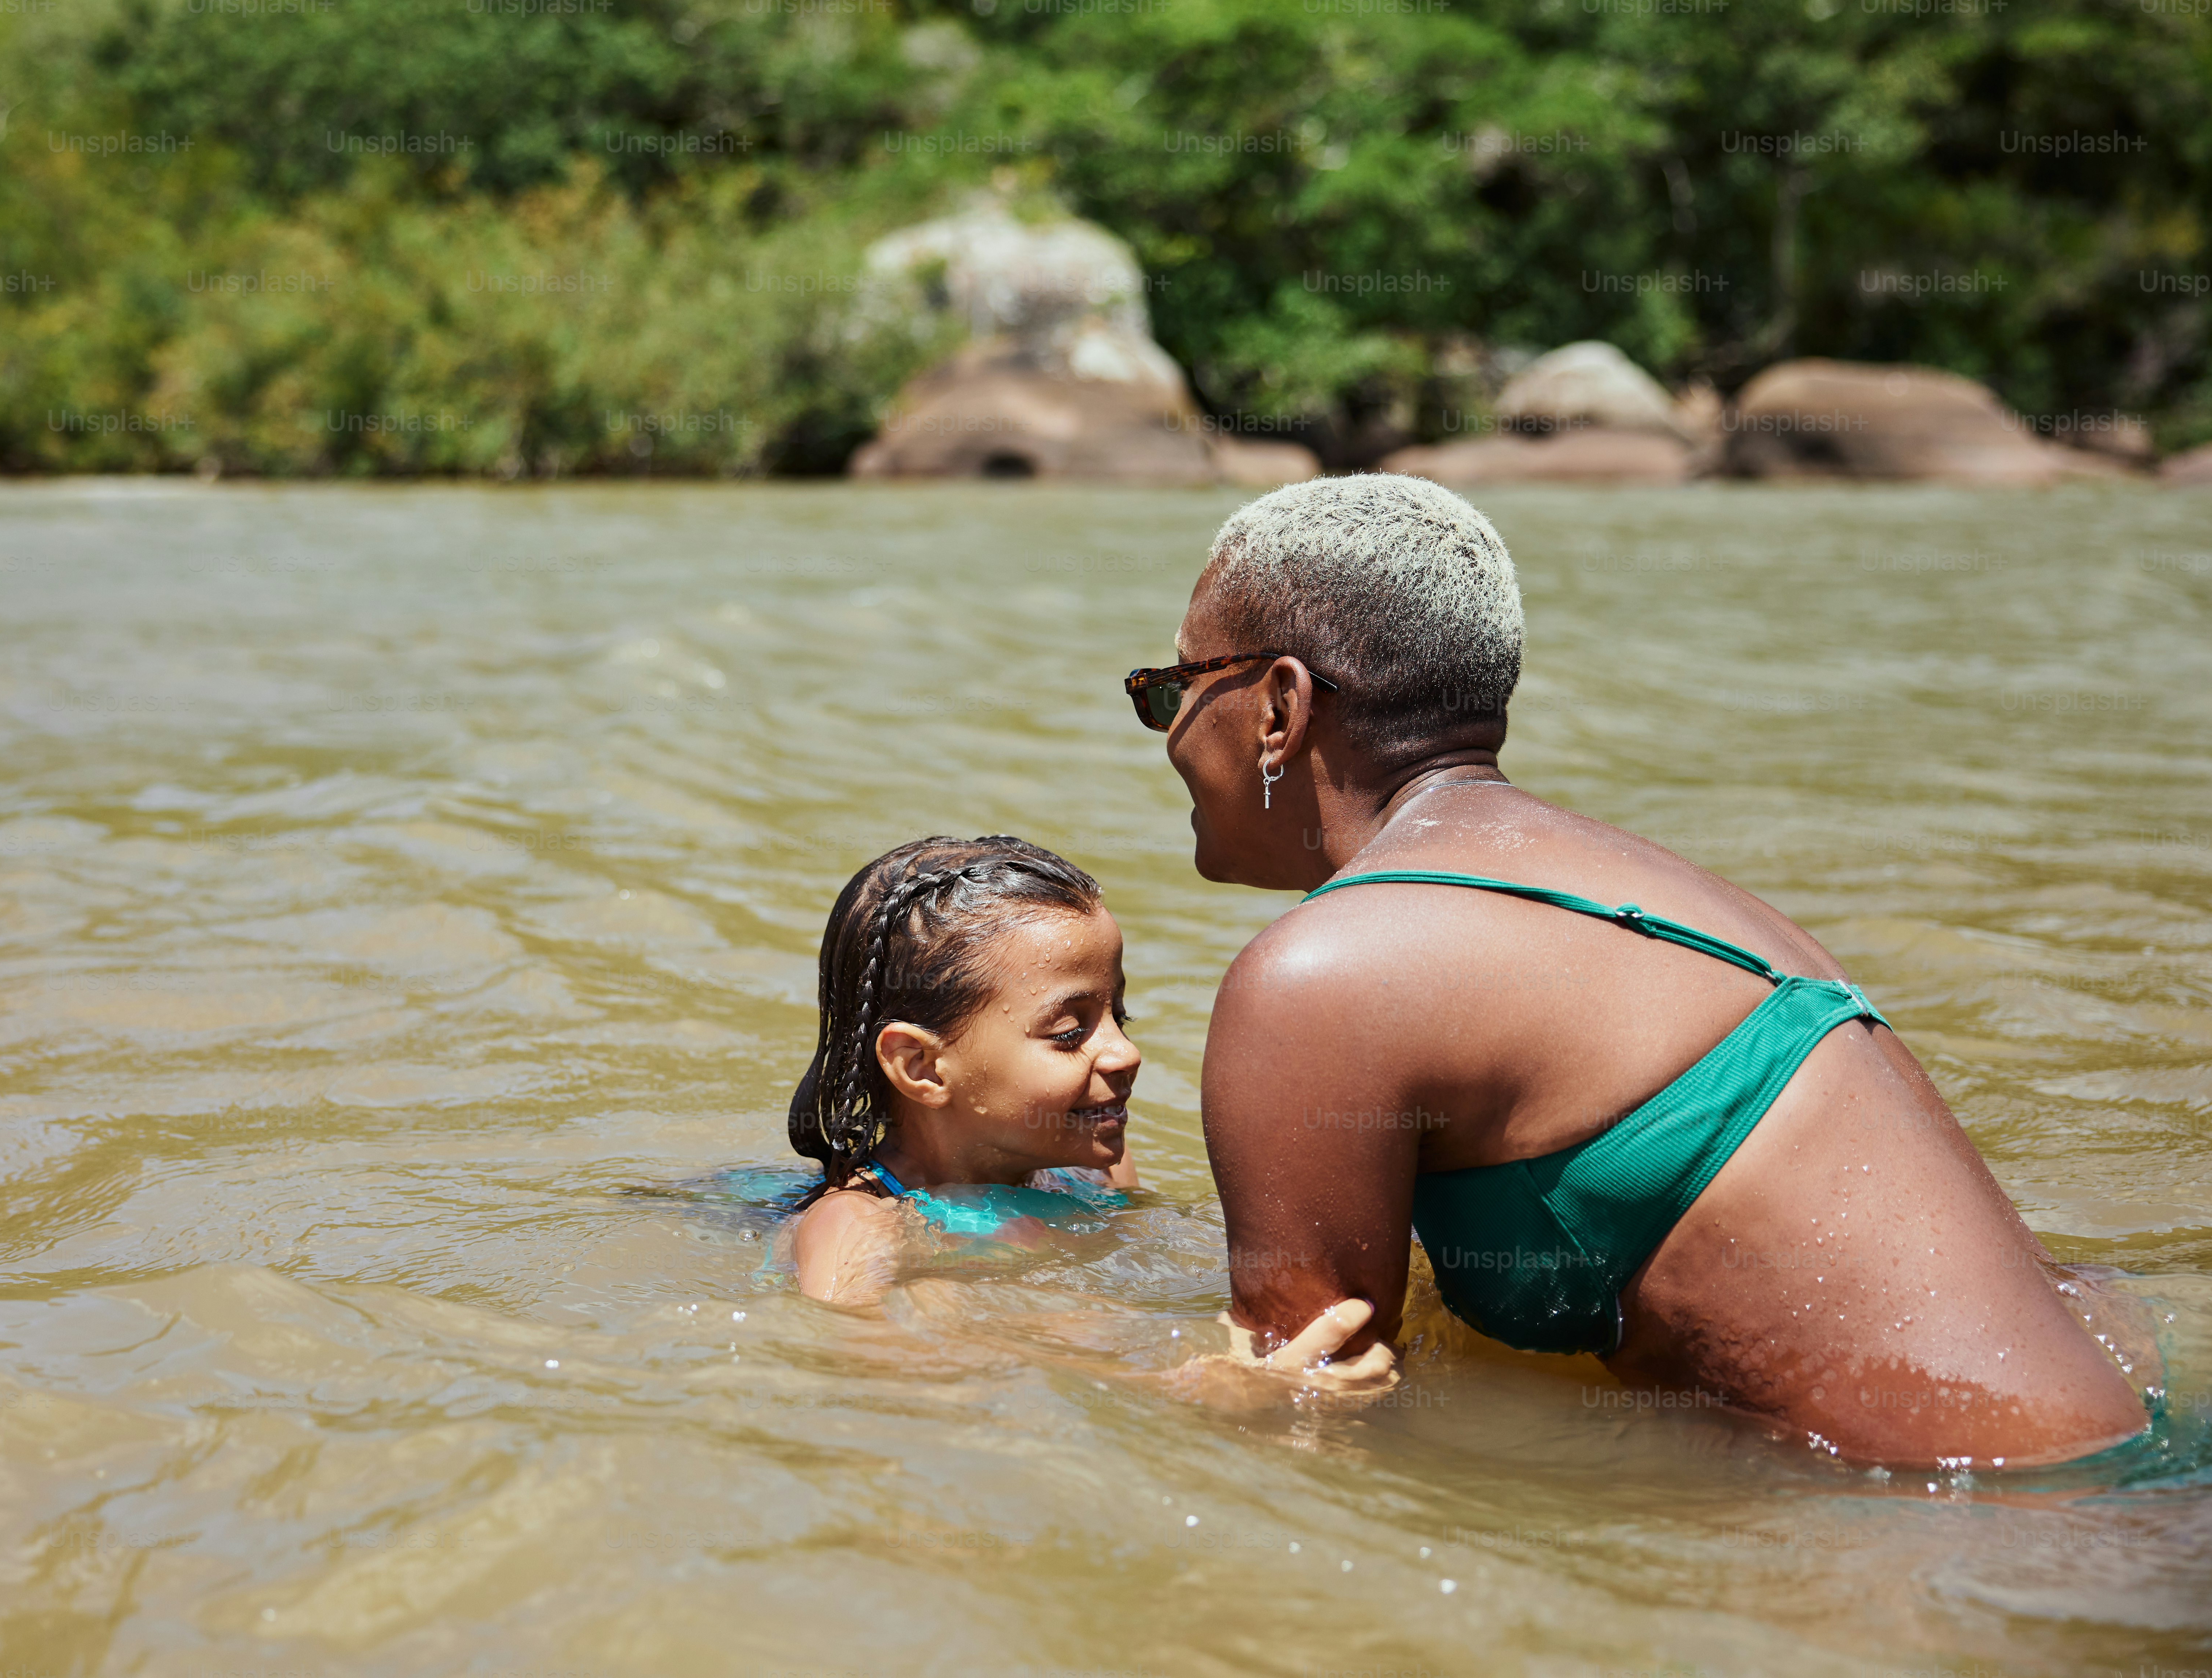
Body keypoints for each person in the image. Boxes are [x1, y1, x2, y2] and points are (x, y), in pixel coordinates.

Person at [1133, 476, 2151, 1468]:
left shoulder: (1320, 973)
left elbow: (1306, 1403)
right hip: (2115, 1473)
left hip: (1964, 1543)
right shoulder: (1660, 894)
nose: (1169, 729)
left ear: (1277, 707)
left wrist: (1049, 1365)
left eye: (1171, 690)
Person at [783, 835, 1394, 1391]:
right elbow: (856, 1353)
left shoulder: (1100, 1169)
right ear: (921, 1066)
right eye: (1070, 1032)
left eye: (1118, 1018)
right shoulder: (856, 1224)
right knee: (937, 1299)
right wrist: (1178, 1388)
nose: (1125, 1053)